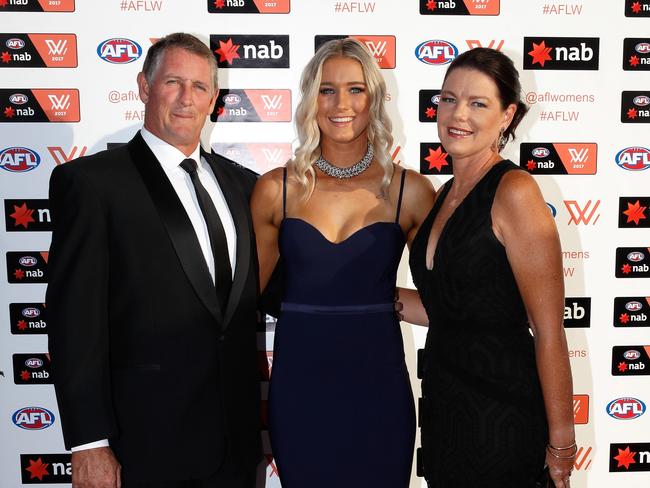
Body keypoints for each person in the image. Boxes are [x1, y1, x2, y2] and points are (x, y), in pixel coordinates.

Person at [46, 33, 261, 487]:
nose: (187, 98)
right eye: (173, 82)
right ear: (144, 87)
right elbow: (74, 322)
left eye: (200, 87)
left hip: (235, 447)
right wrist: (89, 444)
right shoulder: (92, 184)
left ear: (214, 99)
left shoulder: (245, 187)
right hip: (141, 446)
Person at [251, 38, 435, 487]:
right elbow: (246, 299)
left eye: (356, 89)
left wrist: (381, 299)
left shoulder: (409, 191)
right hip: (301, 389)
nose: (341, 104)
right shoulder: (276, 189)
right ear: (311, 98)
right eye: (327, 89)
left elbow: (447, 299)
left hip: (379, 388)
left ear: (374, 99)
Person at [402, 47, 575, 487]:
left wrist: (561, 447)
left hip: (502, 417)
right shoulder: (445, 195)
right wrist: (358, 295)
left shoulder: (514, 190)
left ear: (507, 116)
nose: (459, 114)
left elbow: (549, 329)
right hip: (445, 410)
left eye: (478, 103)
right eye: (449, 99)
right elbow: (450, 309)